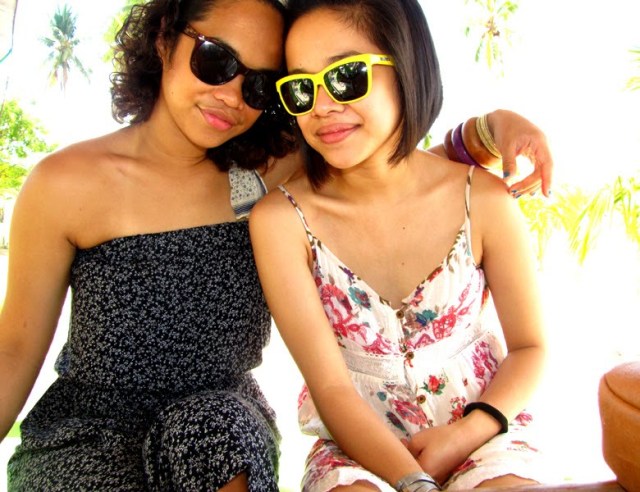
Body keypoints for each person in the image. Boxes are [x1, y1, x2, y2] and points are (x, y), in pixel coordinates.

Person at [0, 0, 552, 490]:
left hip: (221, 422)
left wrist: (488, 130)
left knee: (215, 432)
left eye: (261, 85)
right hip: (90, 427)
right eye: (217, 60)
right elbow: (16, 350)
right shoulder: (65, 185)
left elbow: (389, 168)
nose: (232, 95)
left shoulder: (265, 170)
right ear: (165, 38)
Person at [250, 0, 551, 490]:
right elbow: (331, 388)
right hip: (355, 448)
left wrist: (467, 433)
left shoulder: (483, 199)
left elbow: (531, 347)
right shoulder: (281, 221)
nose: (322, 105)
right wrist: (412, 481)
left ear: (406, 65)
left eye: (345, 76)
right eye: (301, 87)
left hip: (486, 434)